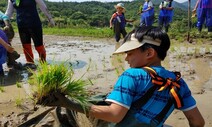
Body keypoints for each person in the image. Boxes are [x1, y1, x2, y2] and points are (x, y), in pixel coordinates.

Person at [41, 26, 205, 127]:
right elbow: (198, 122)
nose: (126, 58)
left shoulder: (132, 76)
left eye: (130, 53)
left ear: (149, 53)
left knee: (66, 111)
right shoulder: (178, 83)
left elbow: (115, 115)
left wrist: (69, 103)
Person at [5, 0, 55, 69]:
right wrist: (5, 21)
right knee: (26, 46)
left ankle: (43, 64)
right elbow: (8, 12)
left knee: (39, 46)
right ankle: (30, 64)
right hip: (21, 25)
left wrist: (50, 18)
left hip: (34, 24)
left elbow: (43, 6)